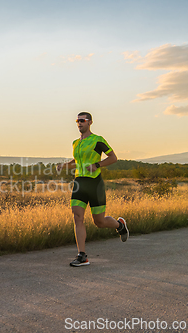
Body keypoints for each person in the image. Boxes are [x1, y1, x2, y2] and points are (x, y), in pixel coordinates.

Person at [56, 112, 128, 267]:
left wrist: (96, 165)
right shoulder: (75, 143)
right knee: (77, 217)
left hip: (95, 184)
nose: (79, 123)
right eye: (77, 121)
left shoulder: (98, 140)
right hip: (79, 183)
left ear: (90, 122)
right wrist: (64, 165)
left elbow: (113, 158)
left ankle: (120, 225)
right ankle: (82, 255)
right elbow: (77, 161)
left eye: (82, 120)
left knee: (99, 222)